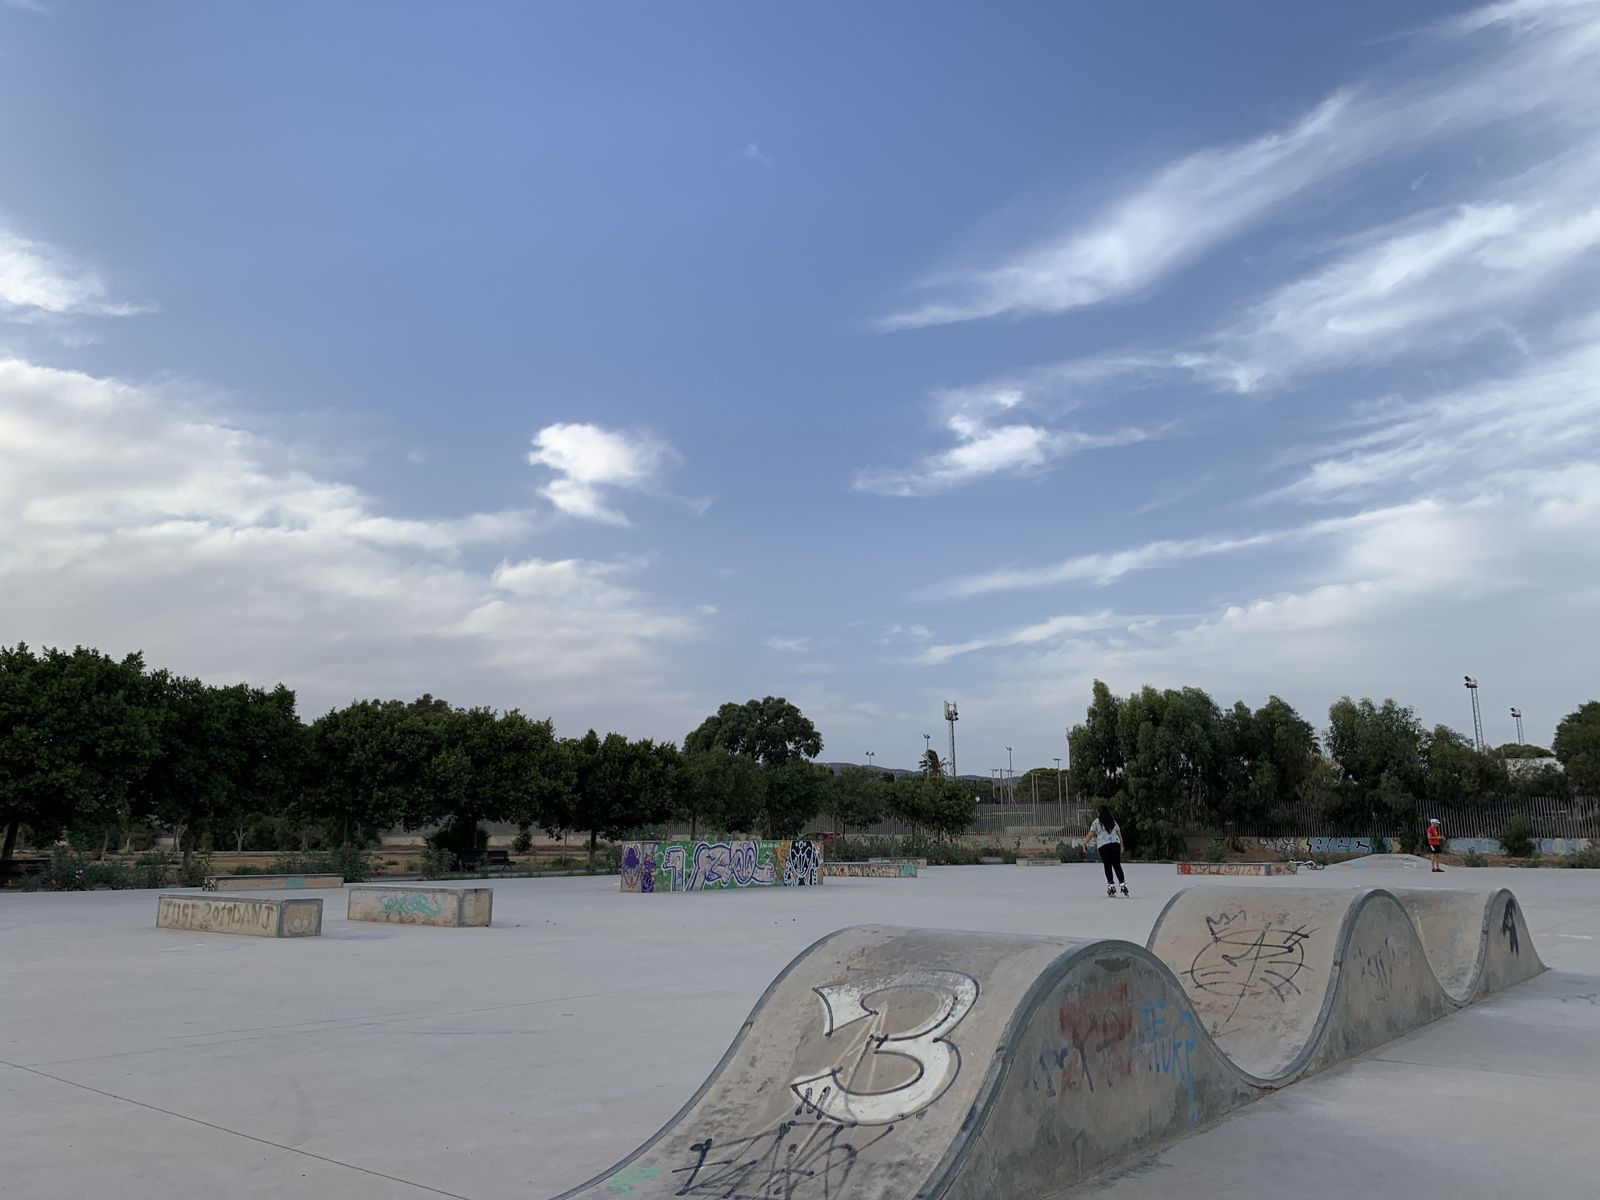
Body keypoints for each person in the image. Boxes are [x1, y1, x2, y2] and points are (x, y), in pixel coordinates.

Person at [1082, 805, 1128, 897]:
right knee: (1117, 865)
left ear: (1099, 813)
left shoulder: (1096, 822)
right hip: (1115, 845)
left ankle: (1111, 887)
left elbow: (1091, 834)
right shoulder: (1113, 821)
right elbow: (1119, 834)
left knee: (1107, 866)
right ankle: (1123, 886)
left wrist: (1084, 844)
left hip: (1104, 846)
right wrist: (1122, 846)